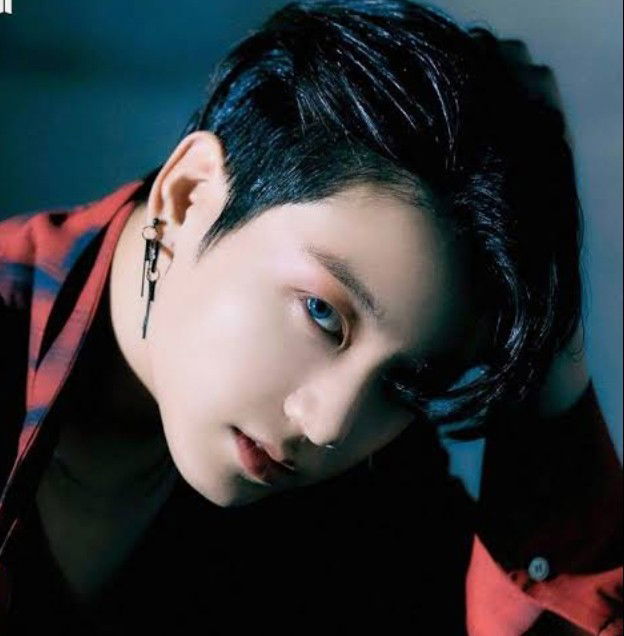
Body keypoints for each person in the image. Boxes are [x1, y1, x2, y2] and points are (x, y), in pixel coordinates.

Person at [0, 0, 621, 633]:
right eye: (323, 314)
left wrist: (553, 342)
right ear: (188, 195)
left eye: (402, 383)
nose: (330, 425)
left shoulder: (362, 488)